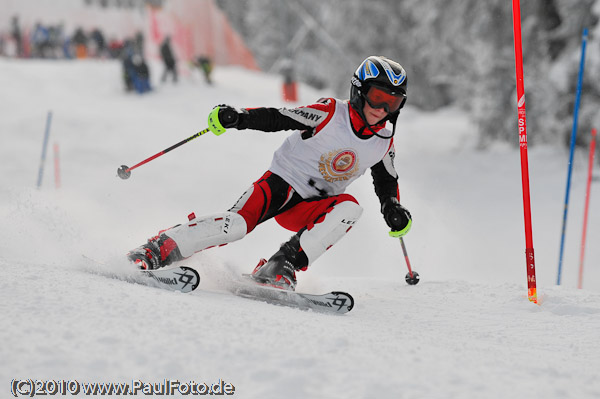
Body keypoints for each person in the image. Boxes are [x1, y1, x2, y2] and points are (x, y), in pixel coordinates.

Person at [126, 55, 413, 291]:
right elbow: (280, 117)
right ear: (359, 90)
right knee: (236, 225)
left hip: (311, 207)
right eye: (377, 97)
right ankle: (156, 249)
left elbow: (387, 179)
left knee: (351, 208)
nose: (382, 109)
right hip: (280, 186)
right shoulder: (330, 113)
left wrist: (391, 207)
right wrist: (239, 118)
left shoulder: (383, 141)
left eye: (393, 103)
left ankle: (280, 264)